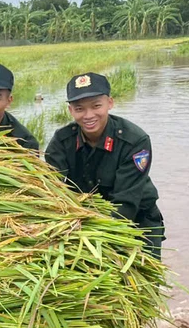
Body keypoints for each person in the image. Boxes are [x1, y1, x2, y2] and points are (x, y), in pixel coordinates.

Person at [44, 73, 165, 260]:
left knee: (141, 283)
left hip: (137, 221)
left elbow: (125, 204)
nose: (88, 115)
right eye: (79, 109)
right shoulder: (62, 142)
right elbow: (52, 190)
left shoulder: (134, 141)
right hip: (82, 222)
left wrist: (94, 236)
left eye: (96, 106)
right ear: (70, 111)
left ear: (110, 103)